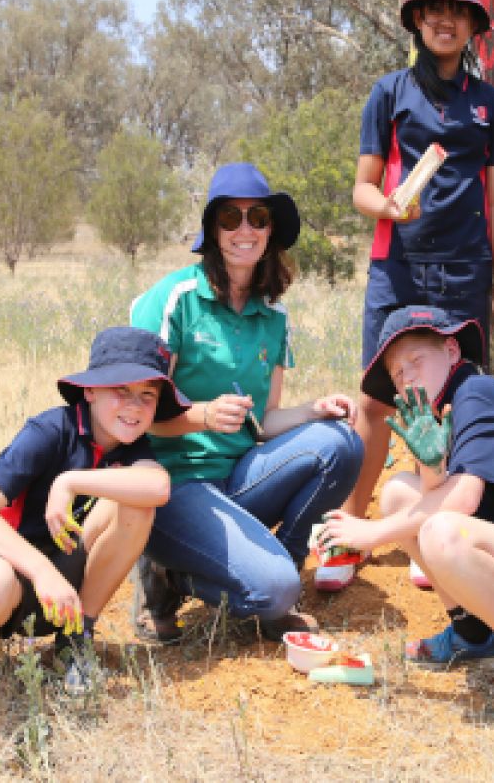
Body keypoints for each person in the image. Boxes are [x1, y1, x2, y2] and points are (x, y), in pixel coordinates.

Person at [329, 0, 494, 592]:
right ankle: (351, 529)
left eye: (459, 11)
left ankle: (430, 528)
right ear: (417, 20)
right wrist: (385, 205)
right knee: (375, 400)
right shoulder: (387, 93)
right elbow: (362, 187)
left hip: (465, 270)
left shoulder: (490, 104)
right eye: (433, 9)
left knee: (452, 400)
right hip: (398, 266)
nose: (445, 20)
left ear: (473, 26)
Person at [317, 306, 494, 739]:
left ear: (451, 348)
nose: (406, 376)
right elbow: (437, 490)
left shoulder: (475, 393)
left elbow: (462, 499)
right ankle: (475, 632)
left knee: (442, 531)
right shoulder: (447, 401)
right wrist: (431, 463)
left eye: (415, 360)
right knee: (398, 493)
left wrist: (369, 533)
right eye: (396, 371)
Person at [128, 163, 364, 642]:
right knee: (274, 590)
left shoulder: (273, 314)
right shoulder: (175, 299)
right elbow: (133, 419)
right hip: (175, 482)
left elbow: (266, 419)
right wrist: (202, 416)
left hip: (239, 474)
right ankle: (170, 573)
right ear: (213, 230)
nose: (244, 229)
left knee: (342, 443)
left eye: (257, 217)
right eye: (230, 218)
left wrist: (315, 410)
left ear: (270, 230)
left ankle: (279, 564)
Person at [0, 326, 189, 697]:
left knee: (138, 505)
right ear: (89, 390)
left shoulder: (131, 444)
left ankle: (75, 638)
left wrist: (70, 482)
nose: (134, 406)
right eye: (121, 390)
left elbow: (158, 488)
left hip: (64, 571)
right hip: (3, 569)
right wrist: (40, 571)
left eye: (147, 396)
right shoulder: (50, 430)